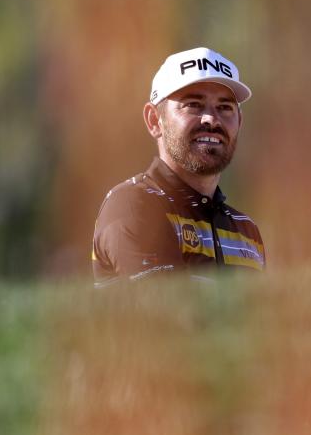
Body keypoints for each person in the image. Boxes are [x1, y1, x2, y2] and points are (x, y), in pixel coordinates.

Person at [91, 47, 265, 286]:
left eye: (224, 107)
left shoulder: (247, 230)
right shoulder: (133, 204)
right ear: (154, 120)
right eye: (193, 105)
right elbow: (171, 313)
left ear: (240, 122)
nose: (211, 119)